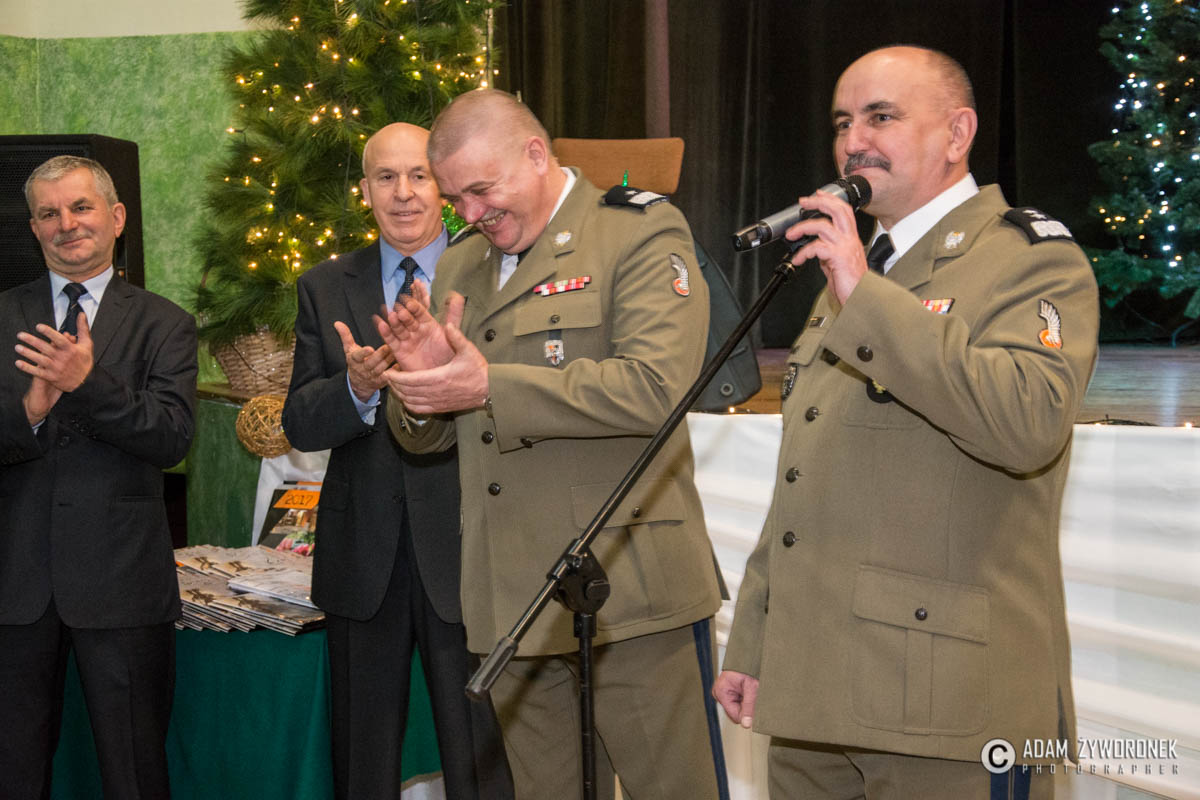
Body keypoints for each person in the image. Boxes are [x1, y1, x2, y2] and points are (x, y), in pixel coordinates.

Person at [713, 46, 1099, 799]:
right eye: (842, 123)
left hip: (944, 698)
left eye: (881, 117)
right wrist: (758, 639)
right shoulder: (860, 271)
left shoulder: (1028, 259)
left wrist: (865, 294)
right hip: (813, 690)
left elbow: (1028, 423)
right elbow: (804, 477)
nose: (853, 141)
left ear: (957, 134)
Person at [378, 90, 729, 799]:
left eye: (482, 190)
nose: (470, 213)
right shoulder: (462, 265)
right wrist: (417, 389)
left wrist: (487, 386)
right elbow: (428, 436)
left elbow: (656, 386)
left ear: (535, 155)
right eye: (456, 198)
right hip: (512, 598)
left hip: (627, 588)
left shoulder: (636, 231)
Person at [281, 121, 511, 799]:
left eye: (418, 175)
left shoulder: (492, 271)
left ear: (443, 186)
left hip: (470, 550)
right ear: (365, 190)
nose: (403, 193)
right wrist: (354, 388)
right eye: (386, 177)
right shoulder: (325, 286)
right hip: (363, 559)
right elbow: (299, 420)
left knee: (484, 761)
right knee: (363, 762)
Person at [0, 155, 197, 798]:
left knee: (133, 771)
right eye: (49, 213)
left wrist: (88, 384)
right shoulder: (3, 315)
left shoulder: (165, 323)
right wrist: (29, 413)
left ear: (116, 218)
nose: (67, 224)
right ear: (34, 228)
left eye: (81, 207)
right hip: (15, 585)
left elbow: (171, 438)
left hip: (122, 585)